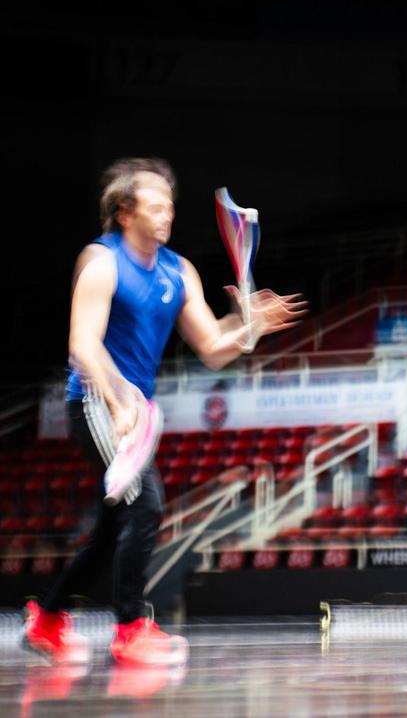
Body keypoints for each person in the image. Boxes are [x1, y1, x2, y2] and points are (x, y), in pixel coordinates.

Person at [24, 158, 305, 666]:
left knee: (114, 530)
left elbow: (215, 348)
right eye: (156, 206)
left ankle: (47, 620)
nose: (167, 213)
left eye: (170, 205)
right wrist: (117, 402)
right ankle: (131, 629)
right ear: (125, 212)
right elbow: (82, 344)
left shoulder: (180, 270)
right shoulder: (102, 261)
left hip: (137, 408)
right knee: (147, 503)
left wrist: (251, 326)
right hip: (94, 398)